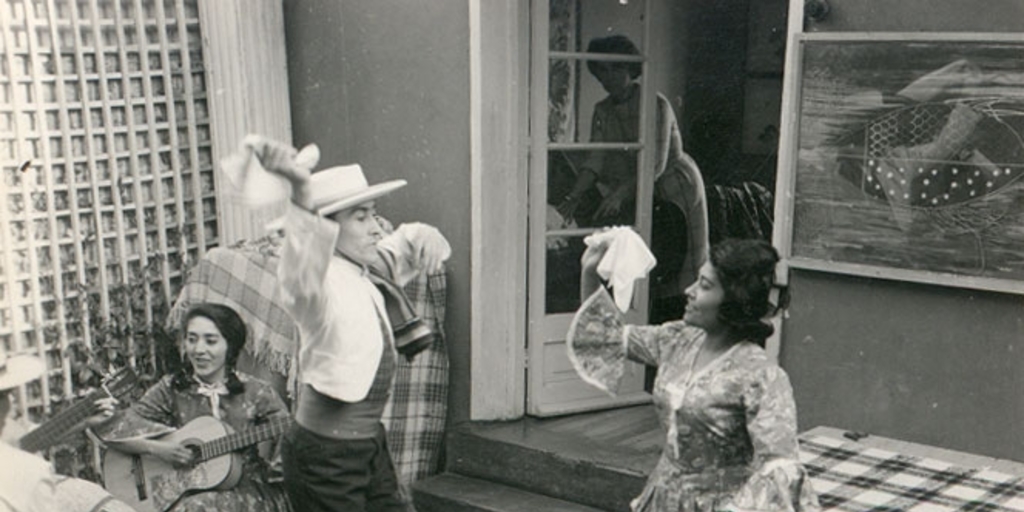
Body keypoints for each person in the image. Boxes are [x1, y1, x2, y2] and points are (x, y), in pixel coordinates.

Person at [253, 138, 450, 511]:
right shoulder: (317, 286)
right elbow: (298, 274)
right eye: (361, 217)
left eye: (373, 214)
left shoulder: (367, 271)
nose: (376, 228)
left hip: (367, 444)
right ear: (323, 230)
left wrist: (425, 233)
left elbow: (402, 246)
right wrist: (298, 195)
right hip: (324, 458)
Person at [568, 237, 820, 512]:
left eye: (704, 285)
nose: (689, 290)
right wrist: (590, 271)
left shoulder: (760, 375)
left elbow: (779, 467)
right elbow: (604, 336)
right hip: (663, 499)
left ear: (735, 300)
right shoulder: (677, 339)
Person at [92, 303, 292, 512]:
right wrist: (160, 449)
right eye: (192, 339)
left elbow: (291, 443)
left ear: (230, 346)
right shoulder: (171, 388)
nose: (199, 350)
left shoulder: (255, 391)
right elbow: (119, 430)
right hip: (188, 489)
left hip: (248, 490)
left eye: (211, 341)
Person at [0, 353, 134, 512]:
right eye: (4, 394)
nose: (12, 399)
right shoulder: (33, 472)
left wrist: (86, 422)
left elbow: (32, 440)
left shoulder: (9, 429)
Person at [556, 34, 643, 227]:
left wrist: (620, 194)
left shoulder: (653, 104)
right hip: (626, 192)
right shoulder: (603, 110)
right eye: (601, 70)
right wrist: (573, 196)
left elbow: (654, 165)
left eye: (614, 69)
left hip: (667, 189)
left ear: (629, 67)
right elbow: (596, 157)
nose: (606, 77)